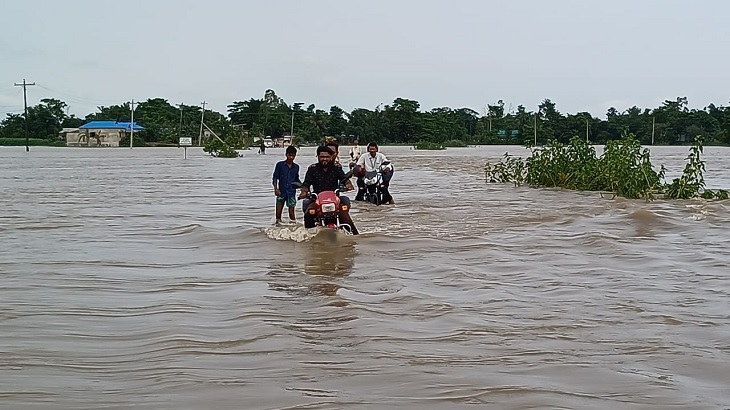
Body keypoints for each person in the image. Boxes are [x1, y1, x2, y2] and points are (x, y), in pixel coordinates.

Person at [298, 145, 359, 235]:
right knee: (308, 213)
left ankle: (354, 235)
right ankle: (308, 235)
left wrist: (348, 185)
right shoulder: (312, 169)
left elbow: (344, 179)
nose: (324, 159)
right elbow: (306, 183)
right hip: (317, 199)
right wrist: (304, 191)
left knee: (345, 212)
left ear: (331, 157)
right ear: (318, 157)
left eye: (327, 157)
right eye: (322, 157)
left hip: (335, 200)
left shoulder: (336, 168)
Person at [272, 146, 301, 224]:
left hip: (291, 192)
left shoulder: (296, 167)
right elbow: (275, 178)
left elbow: (296, 179)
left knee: (292, 214)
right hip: (281, 192)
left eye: (293, 156)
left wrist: (302, 187)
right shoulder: (280, 165)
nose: (291, 157)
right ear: (286, 155)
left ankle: (294, 229)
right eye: (290, 155)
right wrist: (276, 189)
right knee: (278, 215)